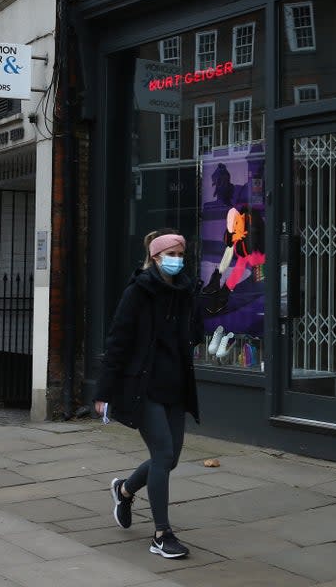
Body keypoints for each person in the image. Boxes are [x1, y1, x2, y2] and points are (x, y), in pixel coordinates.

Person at [94, 228, 201, 559]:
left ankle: (124, 491)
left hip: (176, 386)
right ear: (155, 258)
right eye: (172, 254)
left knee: (169, 459)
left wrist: (207, 306)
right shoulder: (138, 292)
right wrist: (104, 393)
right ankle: (161, 534)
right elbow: (118, 341)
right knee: (163, 453)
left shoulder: (185, 290)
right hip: (144, 387)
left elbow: (194, 335)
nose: (177, 260)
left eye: (182, 254)